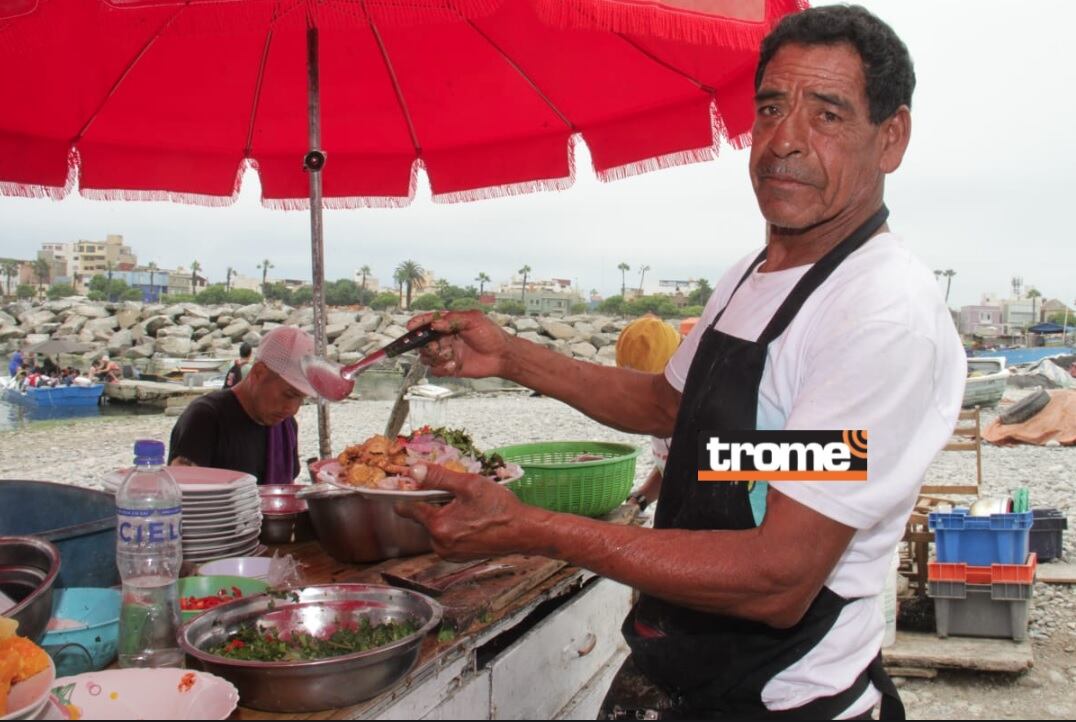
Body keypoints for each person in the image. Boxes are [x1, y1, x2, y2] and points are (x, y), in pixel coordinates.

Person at [396, 7, 966, 719]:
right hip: (678, 665)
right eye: (770, 108)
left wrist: (532, 528)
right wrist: (510, 355)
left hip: (783, 699)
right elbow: (673, 408)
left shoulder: (880, 317)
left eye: (826, 115)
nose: (784, 140)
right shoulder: (750, 276)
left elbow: (778, 578)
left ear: (891, 138)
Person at [168, 326, 316, 485]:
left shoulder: (286, 425)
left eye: (301, 398)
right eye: (288, 394)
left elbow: (285, 490)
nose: (292, 409)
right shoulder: (205, 418)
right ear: (259, 372)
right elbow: (180, 495)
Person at [614, 315, 681, 511]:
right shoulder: (660, 403)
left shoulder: (718, 404)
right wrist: (638, 501)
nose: (647, 400)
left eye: (655, 388)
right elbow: (673, 464)